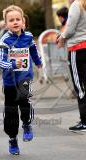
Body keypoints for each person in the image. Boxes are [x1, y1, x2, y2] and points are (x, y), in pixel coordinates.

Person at [0, 5, 42, 155]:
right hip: (10, 81)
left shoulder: (28, 37)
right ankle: (12, 139)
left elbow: (33, 50)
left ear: (23, 21)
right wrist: (11, 64)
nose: (15, 22)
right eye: (11, 20)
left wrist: (38, 61)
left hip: (25, 78)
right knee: (11, 112)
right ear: (6, 24)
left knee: (25, 103)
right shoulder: (5, 41)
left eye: (18, 19)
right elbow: (0, 62)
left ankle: (27, 124)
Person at [57, 0, 86, 132]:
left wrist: (61, 37)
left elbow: (70, 28)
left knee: (79, 86)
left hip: (77, 48)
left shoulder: (77, 5)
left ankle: (85, 121)